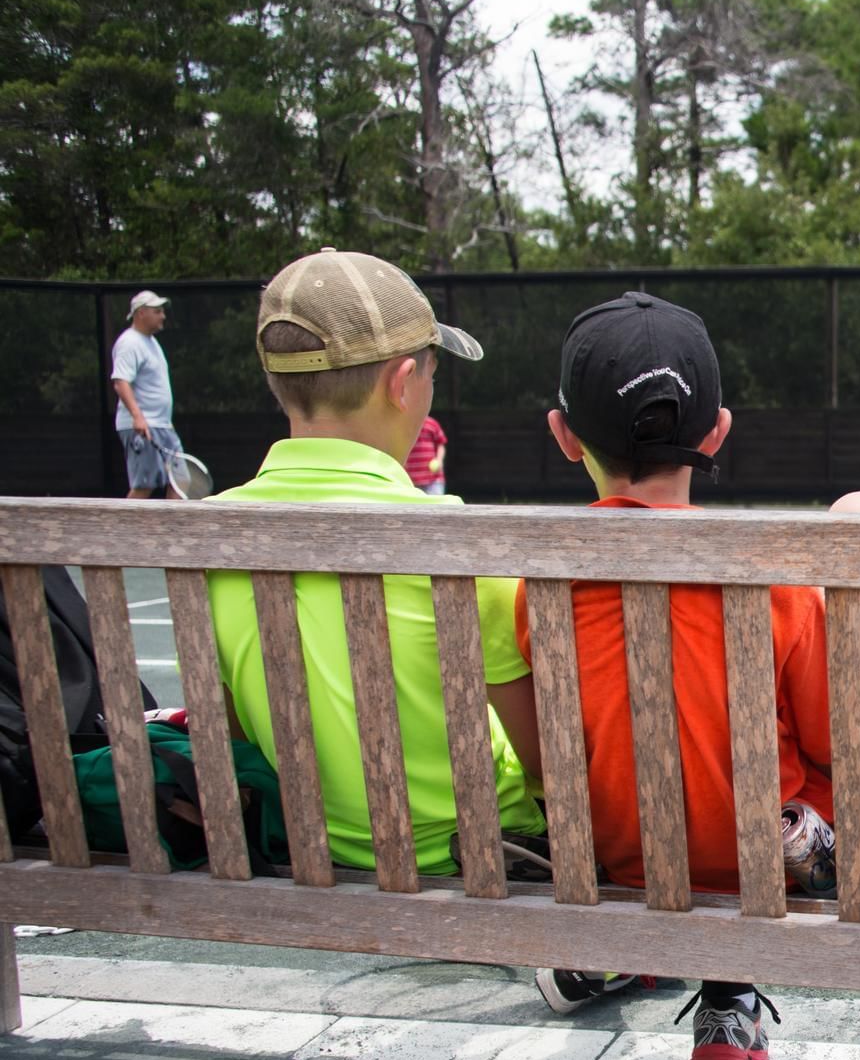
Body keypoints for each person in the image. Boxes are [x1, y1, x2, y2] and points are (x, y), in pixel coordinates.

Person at [506, 291, 860, 1060]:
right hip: (763, 863)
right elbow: (834, 748)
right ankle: (727, 991)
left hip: (617, 862)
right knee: (792, 782)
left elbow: (556, 760)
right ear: (717, 432)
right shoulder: (777, 583)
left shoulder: (540, 587)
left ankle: (625, 953)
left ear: (563, 435)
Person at [203, 248, 546, 875]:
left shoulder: (203, 542)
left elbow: (235, 740)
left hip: (309, 863)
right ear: (402, 381)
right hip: (483, 863)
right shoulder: (463, 547)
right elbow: (549, 766)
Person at [111, 290, 180, 499]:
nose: (163, 316)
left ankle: (171, 531)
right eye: (157, 311)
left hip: (162, 425)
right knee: (145, 484)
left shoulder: (150, 342)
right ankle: (122, 531)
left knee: (181, 481)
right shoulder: (129, 342)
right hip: (143, 428)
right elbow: (120, 382)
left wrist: (166, 421)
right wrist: (138, 417)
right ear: (141, 313)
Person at [405, 415, 447, 494]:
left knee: (436, 506)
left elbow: (441, 444)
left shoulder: (432, 424)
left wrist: (439, 460)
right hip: (411, 482)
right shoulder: (406, 425)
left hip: (433, 480)